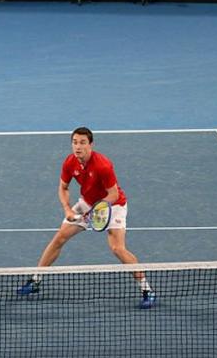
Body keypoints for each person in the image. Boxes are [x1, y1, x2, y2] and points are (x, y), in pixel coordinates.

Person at [18, 127, 156, 309]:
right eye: (75, 142)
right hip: (86, 203)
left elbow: (113, 194)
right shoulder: (70, 162)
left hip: (112, 206)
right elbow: (63, 188)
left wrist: (96, 211)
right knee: (59, 238)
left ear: (91, 145)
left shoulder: (103, 165)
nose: (78, 147)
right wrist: (67, 209)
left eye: (82, 143)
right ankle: (35, 281)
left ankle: (147, 289)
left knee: (117, 248)